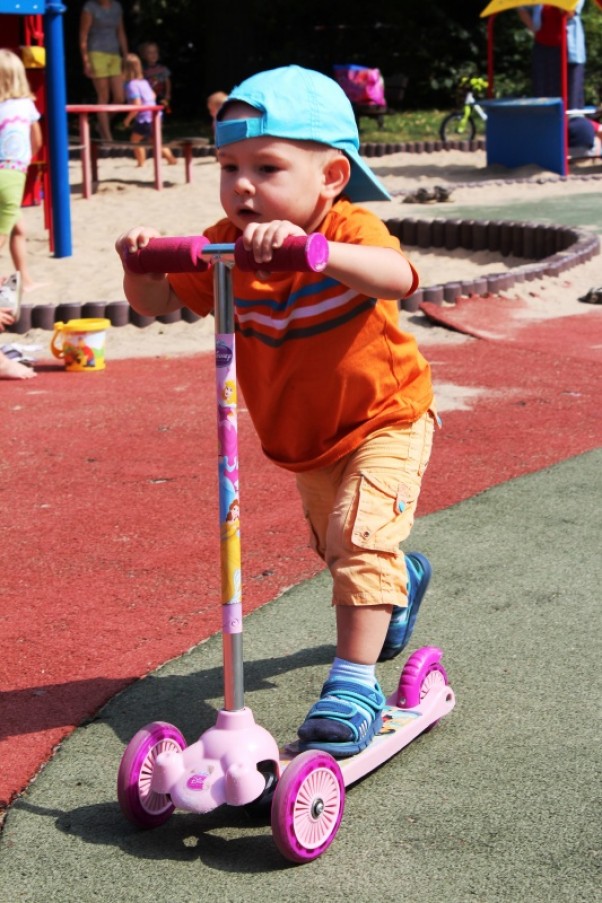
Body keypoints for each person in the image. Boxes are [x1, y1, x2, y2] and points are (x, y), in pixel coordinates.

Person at [115, 65, 437, 759]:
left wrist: (319, 255)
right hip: (305, 441)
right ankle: (400, 584)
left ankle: (354, 682)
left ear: (331, 178)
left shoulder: (351, 227)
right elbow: (159, 303)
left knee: (357, 536)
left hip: (386, 419)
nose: (243, 185)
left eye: (267, 167)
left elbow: (400, 277)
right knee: (340, 550)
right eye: (229, 167)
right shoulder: (224, 244)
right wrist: (138, 266)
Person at [0, 49, 42, 314]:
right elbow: (36, 140)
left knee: (18, 229)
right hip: (13, 173)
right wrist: (24, 159)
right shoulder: (26, 105)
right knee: (2, 233)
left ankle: (24, 279)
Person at [518, 2, 587, 109]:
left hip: (569, 50)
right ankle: (544, 123)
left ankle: (571, 124)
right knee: (542, 95)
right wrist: (533, 27)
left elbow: (570, 13)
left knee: (570, 98)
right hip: (543, 48)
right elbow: (521, 7)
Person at [79, 0, 129, 141]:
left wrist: (125, 55)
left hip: (114, 54)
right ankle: (108, 138)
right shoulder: (90, 7)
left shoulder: (117, 6)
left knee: (120, 98)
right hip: (96, 53)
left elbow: (121, 31)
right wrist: (86, 61)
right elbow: (83, 35)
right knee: (103, 96)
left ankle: (101, 124)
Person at [122, 54, 176, 168]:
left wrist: (127, 120)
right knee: (155, 140)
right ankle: (171, 159)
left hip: (145, 118)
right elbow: (153, 95)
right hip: (155, 116)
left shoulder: (131, 85)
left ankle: (141, 162)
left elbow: (137, 105)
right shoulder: (144, 82)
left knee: (134, 140)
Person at [140, 41, 172, 112]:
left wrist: (168, 94)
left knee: (162, 108)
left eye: (155, 52)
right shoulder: (142, 70)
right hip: (148, 96)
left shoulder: (162, 69)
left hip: (160, 95)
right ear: (143, 55)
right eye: (150, 53)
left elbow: (167, 81)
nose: (153, 55)